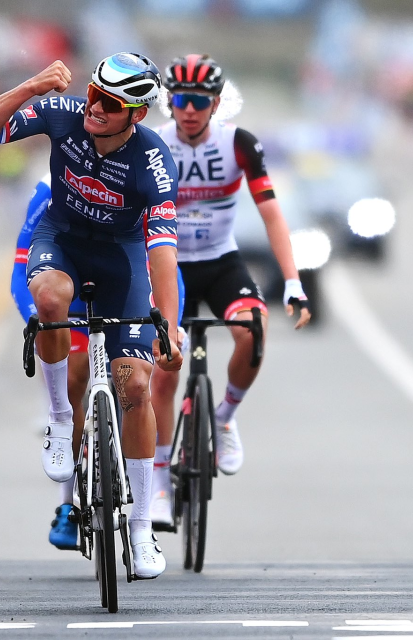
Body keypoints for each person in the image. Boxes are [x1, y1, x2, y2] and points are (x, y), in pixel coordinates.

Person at [0, 53, 183, 579]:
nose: (95, 107)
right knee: (52, 301)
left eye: (110, 103)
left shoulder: (153, 162)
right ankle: (62, 420)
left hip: (120, 260)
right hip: (59, 240)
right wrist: (30, 86)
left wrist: (169, 327)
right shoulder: (64, 113)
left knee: (135, 388)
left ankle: (140, 529)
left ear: (137, 115)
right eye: (93, 93)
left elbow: (162, 256)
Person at [147, 54, 311, 529]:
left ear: (216, 103)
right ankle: (157, 480)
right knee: (164, 361)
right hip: (168, 264)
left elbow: (272, 213)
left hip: (220, 260)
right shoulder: (151, 144)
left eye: (200, 101)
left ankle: (222, 417)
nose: (190, 110)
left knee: (254, 331)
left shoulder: (238, 143)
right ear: (169, 102)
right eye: (181, 100)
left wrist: (294, 282)